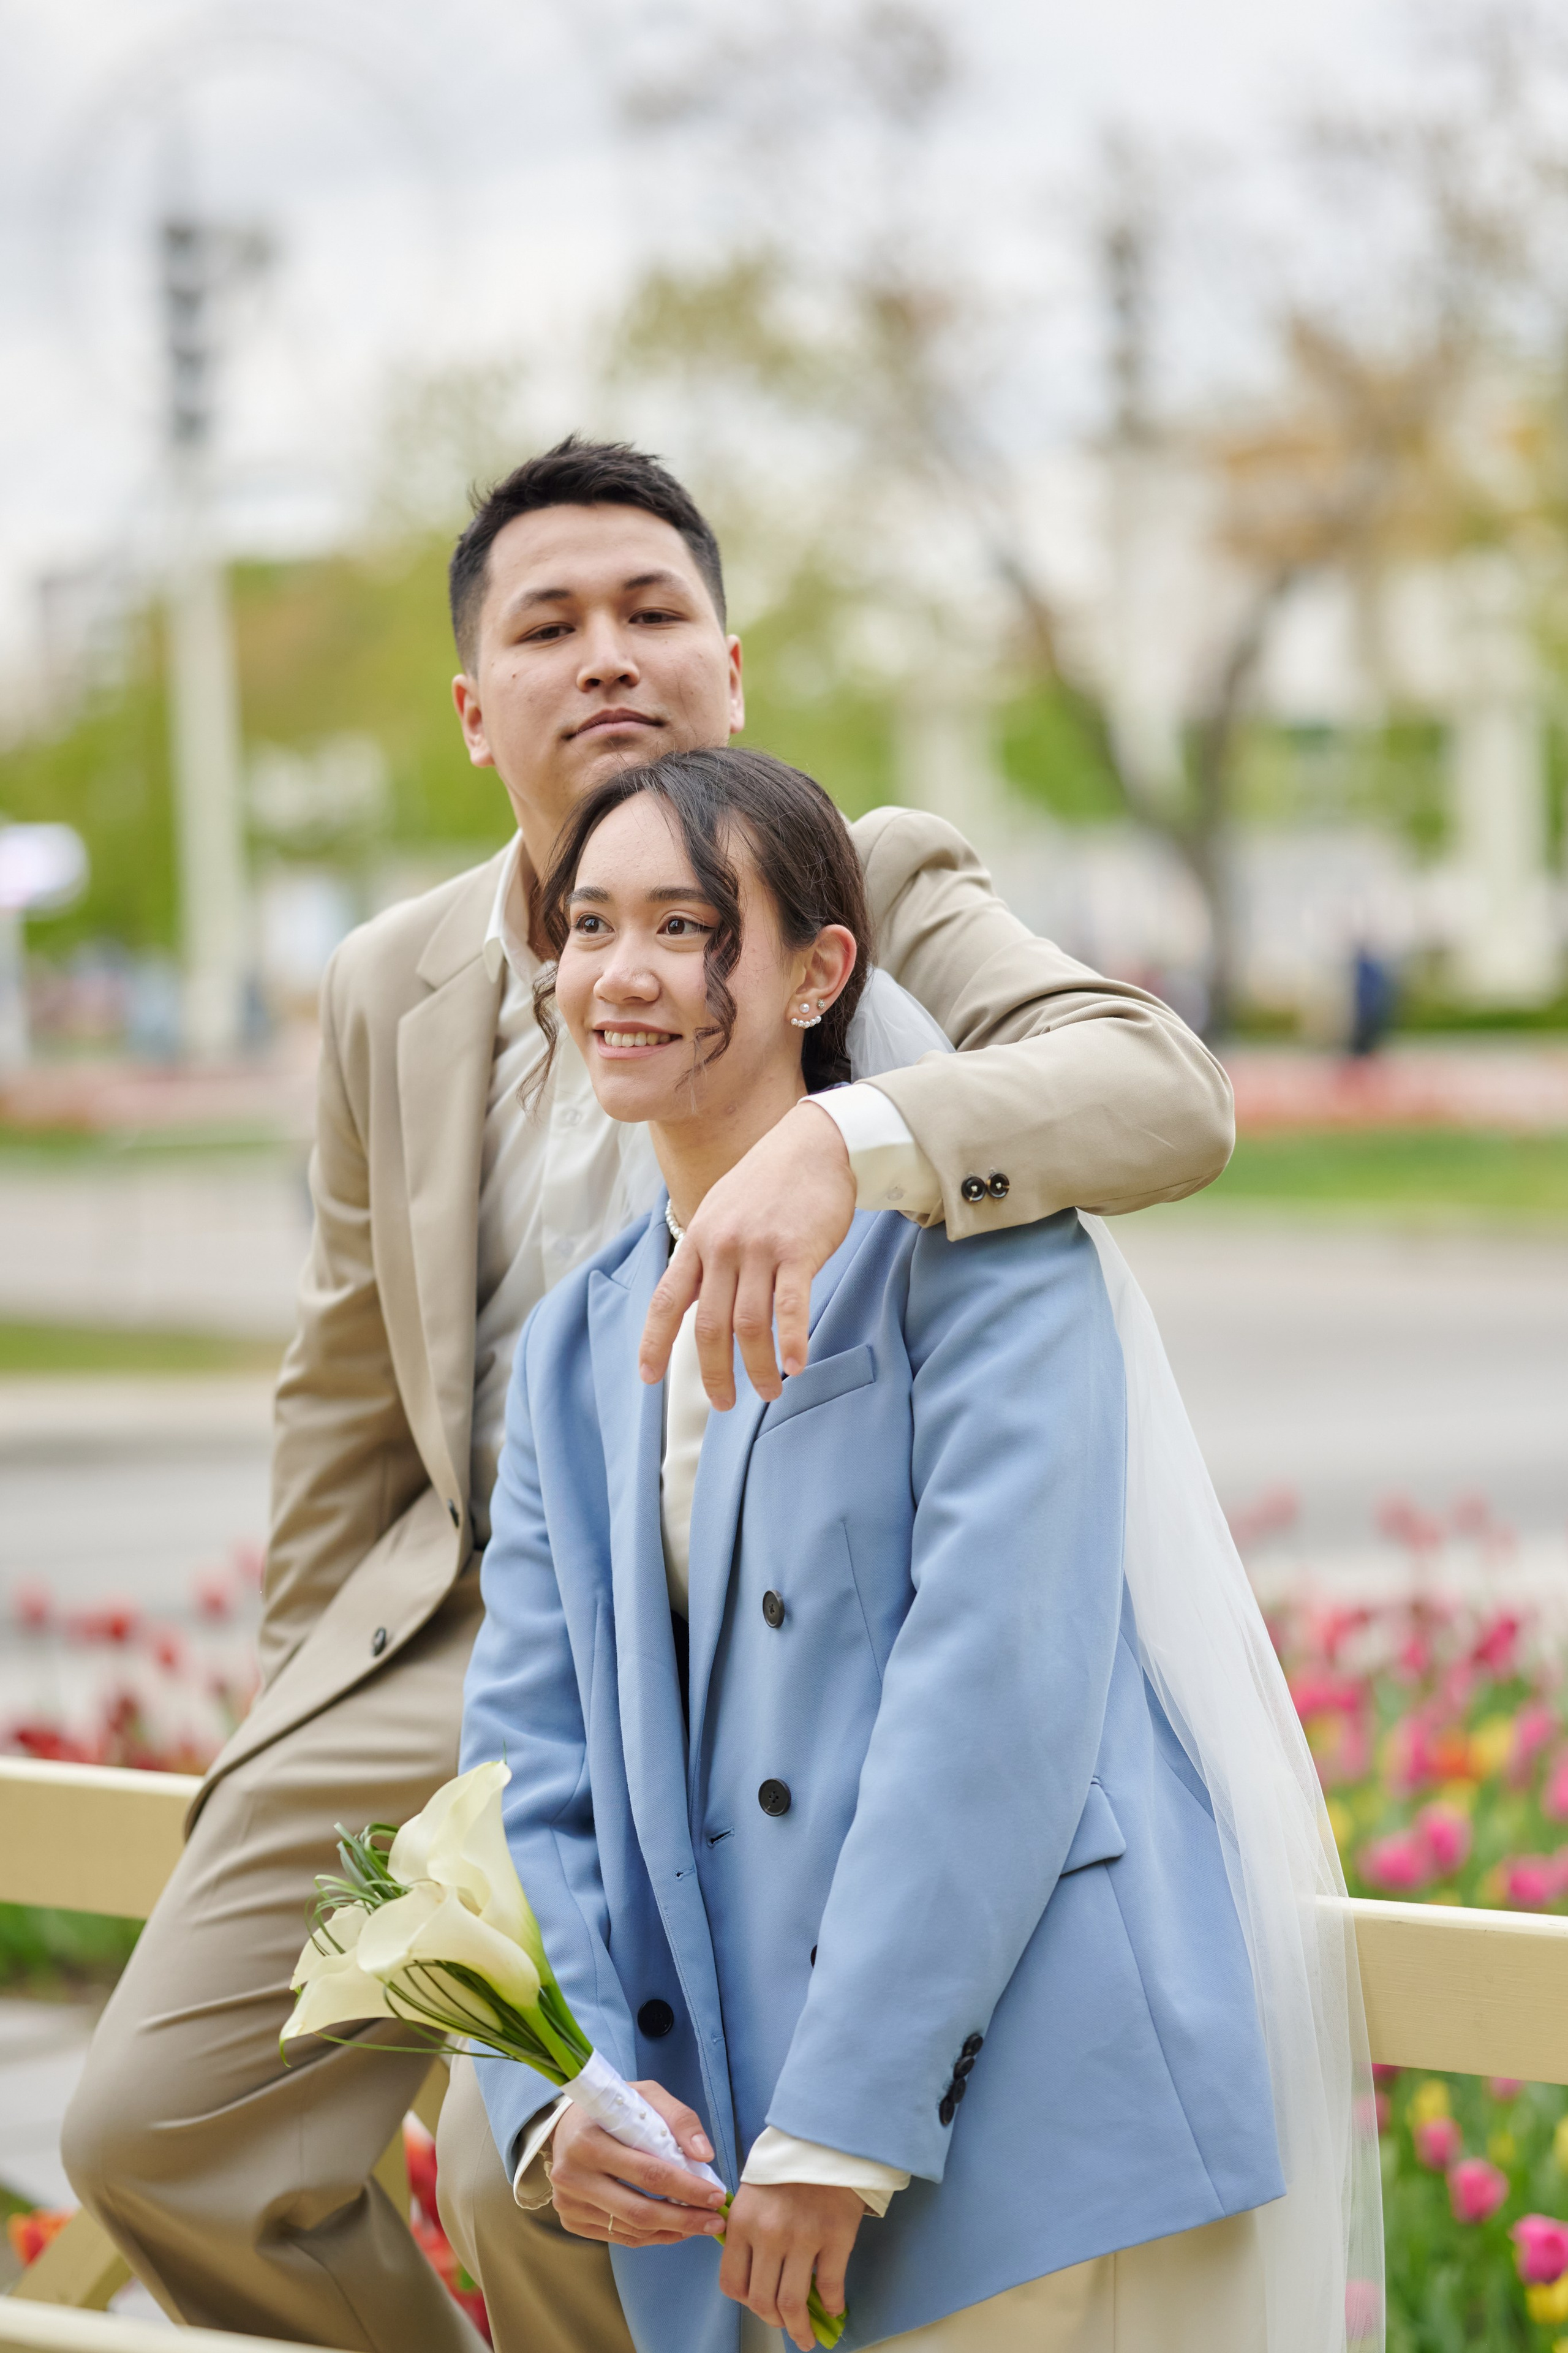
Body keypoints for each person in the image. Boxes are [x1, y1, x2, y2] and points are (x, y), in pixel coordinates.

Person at [62, 438, 1237, 2353]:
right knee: (152, 2131)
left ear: (732, 669)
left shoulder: (869, 873)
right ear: (475, 709)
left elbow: (1162, 1090)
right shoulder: (387, 978)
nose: (607, 652)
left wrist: (855, 1138)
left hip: (761, 1613)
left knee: (542, 2164)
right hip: (461, 1631)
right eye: (549, 625)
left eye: (653, 610)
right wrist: (302, 1725)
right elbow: (342, 1397)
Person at [456, 746, 1374, 2353]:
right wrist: (550, 2082)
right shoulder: (572, 1345)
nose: (622, 971)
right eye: (590, 926)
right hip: (721, 2151)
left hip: (1021, 2124)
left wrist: (844, 2124)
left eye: (684, 926)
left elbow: (994, 1694)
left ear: (821, 973)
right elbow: (526, 1753)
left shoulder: (986, 1262)